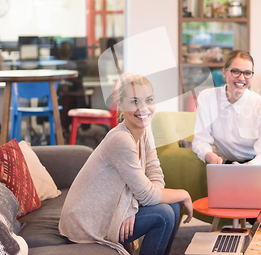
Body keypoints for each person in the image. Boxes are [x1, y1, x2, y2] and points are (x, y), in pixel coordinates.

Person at [59, 73, 193, 255]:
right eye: (134, 101)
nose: (143, 108)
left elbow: (155, 173)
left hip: (110, 209)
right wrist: (184, 193)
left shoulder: (144, 131)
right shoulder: (121, 139)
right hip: (86, 222)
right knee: (164, 215)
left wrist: (131, 207)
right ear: (121, 105)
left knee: (173, 206)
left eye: (149, 100)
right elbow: (147, 195)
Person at [192, 50, 261, 228]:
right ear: (224, 71)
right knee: (253, 195)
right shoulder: (208, 98)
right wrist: (210, 157)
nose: (241, 78)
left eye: (247, 73)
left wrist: (247, 169)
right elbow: (200, 140)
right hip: (231, 164)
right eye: (235, 71)